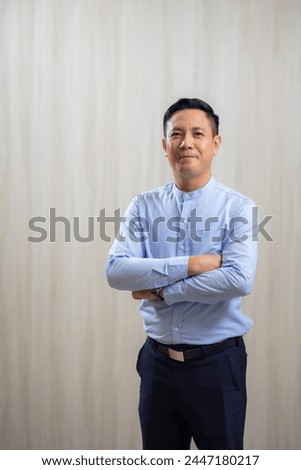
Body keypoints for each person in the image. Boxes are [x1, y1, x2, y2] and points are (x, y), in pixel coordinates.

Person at [106, 98, 257, 450]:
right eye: (176, 134)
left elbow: (238, 279)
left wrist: (162, 291)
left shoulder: (239, 208)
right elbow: (116, 271)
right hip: (158, 365)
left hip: (218, 367)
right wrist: (193, 263)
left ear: (215, 144)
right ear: (165, 146)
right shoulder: (143, 206)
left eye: (197, 133)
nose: (186, 142)